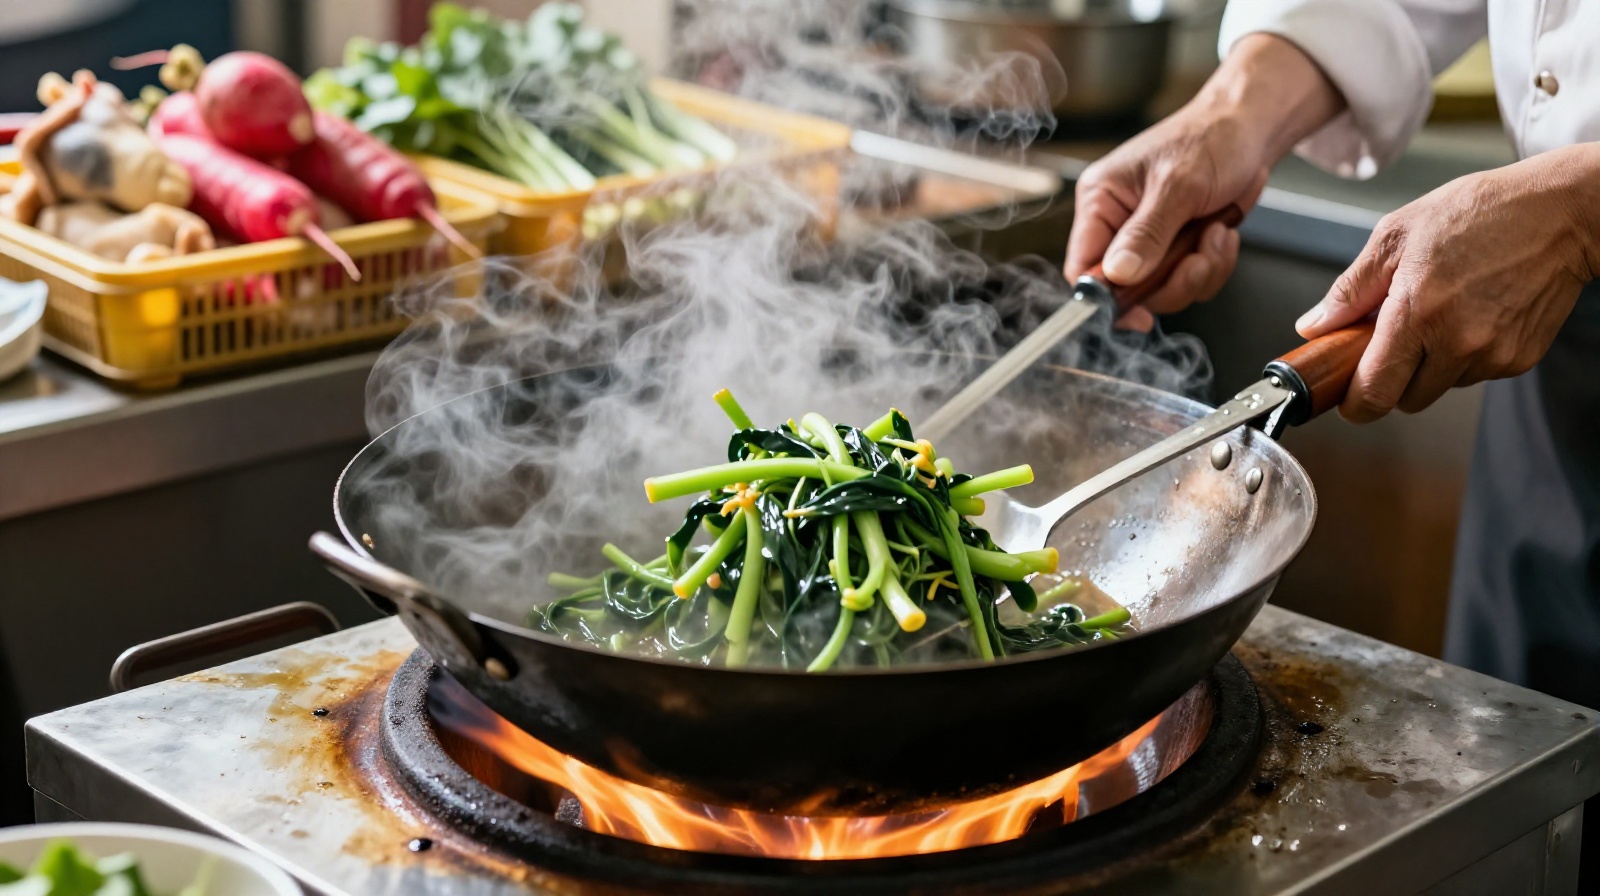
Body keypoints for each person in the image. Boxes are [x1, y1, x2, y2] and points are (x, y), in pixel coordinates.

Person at [1066, 2, 1600, 712]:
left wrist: (1580, 213)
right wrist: (1236, 108)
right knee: (1535, 740)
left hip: (1552, 243)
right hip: (1557, 328)